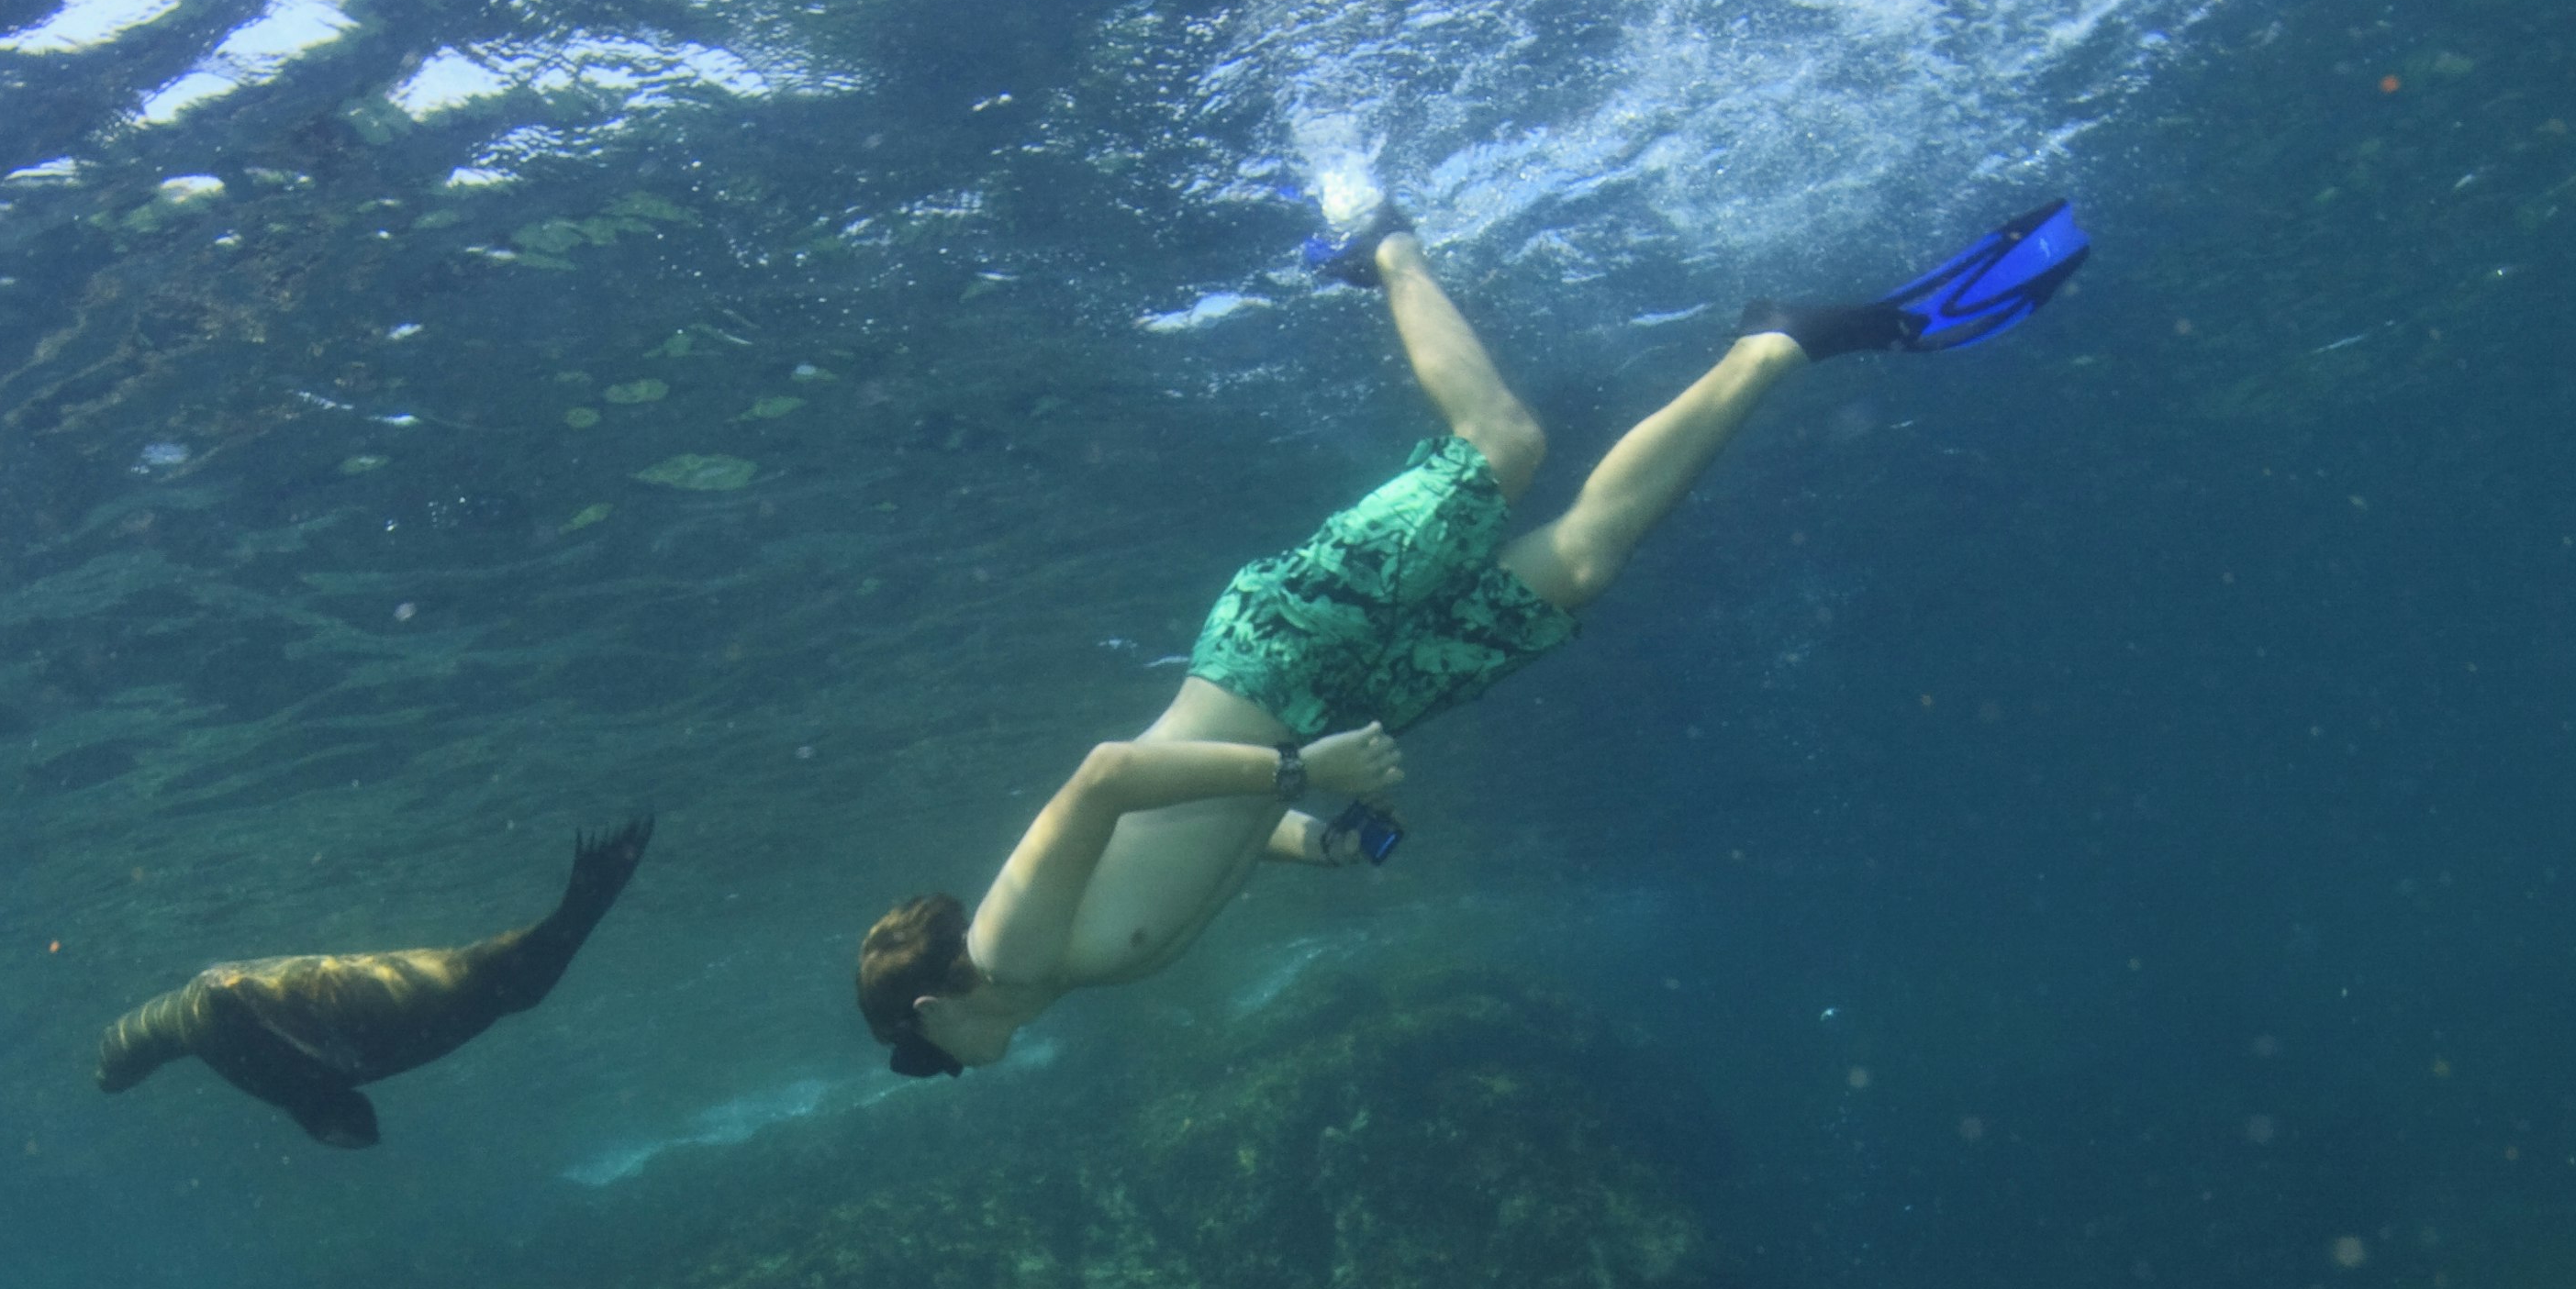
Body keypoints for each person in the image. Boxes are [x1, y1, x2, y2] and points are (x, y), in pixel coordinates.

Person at [853, 191, 2086, 1076]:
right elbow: (1195, 838)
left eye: (927, 1065)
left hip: (1277, 656)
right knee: (1586, 566)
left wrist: (1300, 769)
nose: (953, 1075)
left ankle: (1379, 238)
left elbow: (1108, 777)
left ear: (924, 1008)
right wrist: (1316, 846)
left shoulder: (1009, 948)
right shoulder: (1060, 976)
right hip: (1325, 716)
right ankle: (1778, 344)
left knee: (1505, 447)